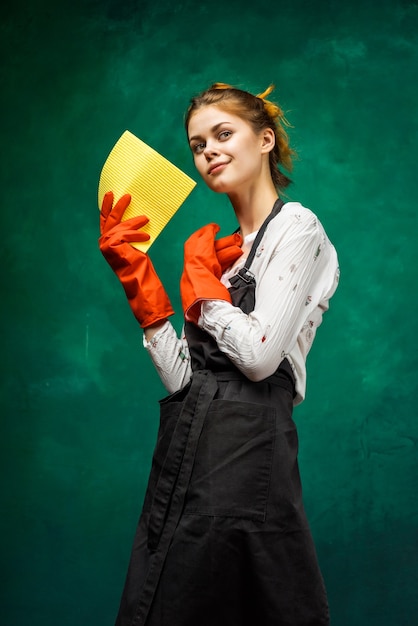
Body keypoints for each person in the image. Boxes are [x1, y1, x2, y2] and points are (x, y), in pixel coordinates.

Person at [99, 83, 340, 626]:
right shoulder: (223, 250)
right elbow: (184, 381)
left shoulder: (297, 229)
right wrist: (139, 281)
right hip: (187, 448)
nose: (207, 150)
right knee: (166, 602)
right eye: (197, 144)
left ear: (264, 140)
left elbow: (257, 358)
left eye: (222, 134)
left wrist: (203, 285)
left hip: (249, 454)